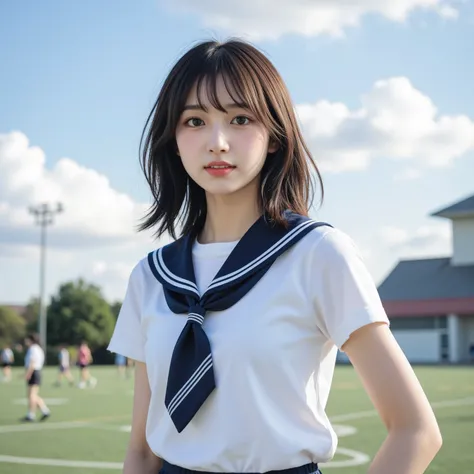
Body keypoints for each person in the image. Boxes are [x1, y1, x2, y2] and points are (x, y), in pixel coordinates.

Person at [108, 39, 442, 474]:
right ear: (174, 139)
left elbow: (415, 431)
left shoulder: (318, 255)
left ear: (273, 137)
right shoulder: (151, 277)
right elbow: (143, 452)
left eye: (240, 119)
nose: (218, 141)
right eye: (195, 120)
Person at [21, 334, 50, 422]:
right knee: (33, 394)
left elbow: (32, 362)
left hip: (34, 372)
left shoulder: (33, 349)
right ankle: (45, 410)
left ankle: (31, 414)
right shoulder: (37, 348)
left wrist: (28, 373)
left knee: (31, 395)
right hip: (36, 372)